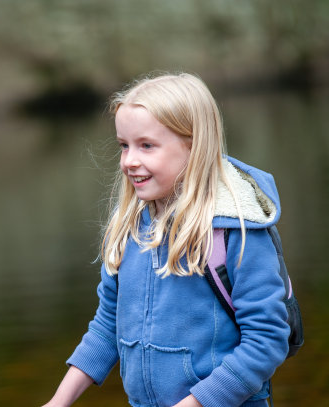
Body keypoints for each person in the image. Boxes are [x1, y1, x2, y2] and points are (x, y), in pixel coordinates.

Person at [42, 73, 290, 407]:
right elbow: (107, 326)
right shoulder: (128, 226)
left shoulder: (235, 230)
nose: (129, 160)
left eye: (146, 145)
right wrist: (58, 401)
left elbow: (267, 341)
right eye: (124, 145)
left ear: (193, 144)